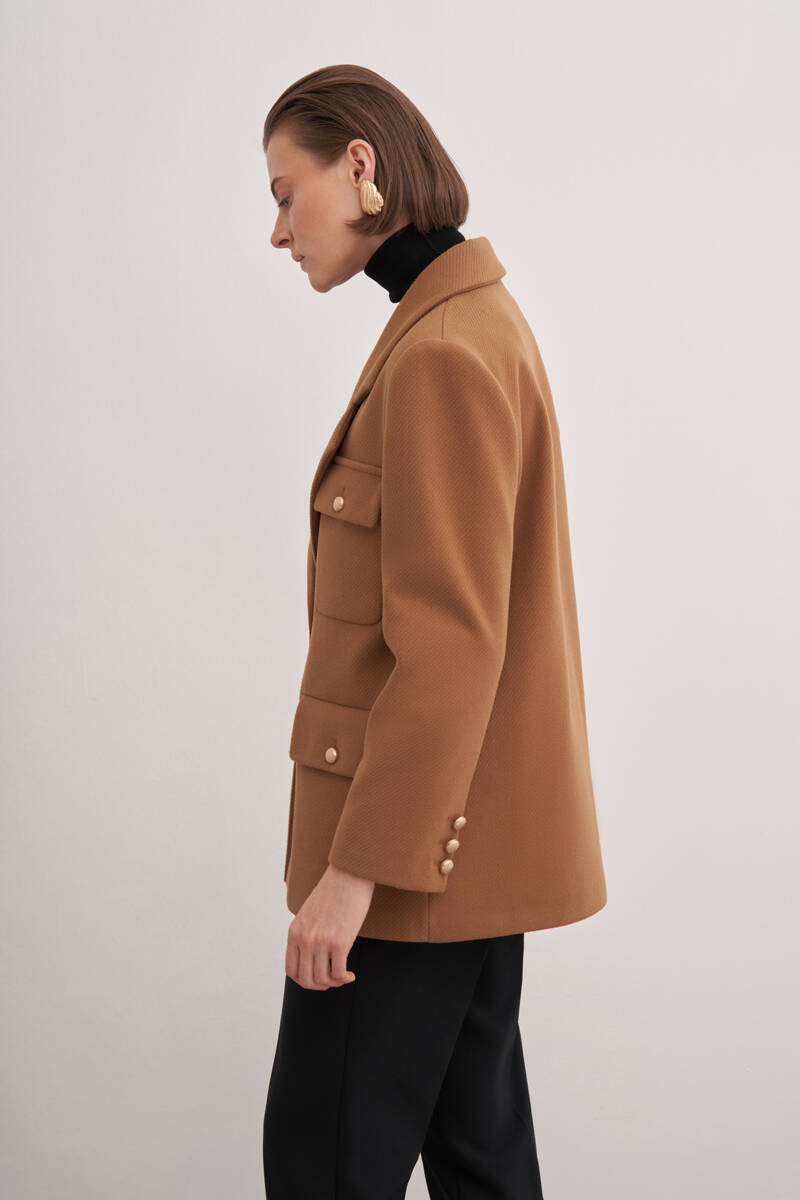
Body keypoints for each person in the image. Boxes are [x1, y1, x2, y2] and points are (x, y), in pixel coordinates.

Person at [261, 64, 607, 1199]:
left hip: (407, 876)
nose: (278, 232)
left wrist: (351, 877)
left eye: (286, 194)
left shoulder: (446, 350)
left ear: (359, 167)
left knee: (320, 1167)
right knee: (481, 1165)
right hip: (461, 855)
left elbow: (451, 648)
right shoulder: (461, 323)